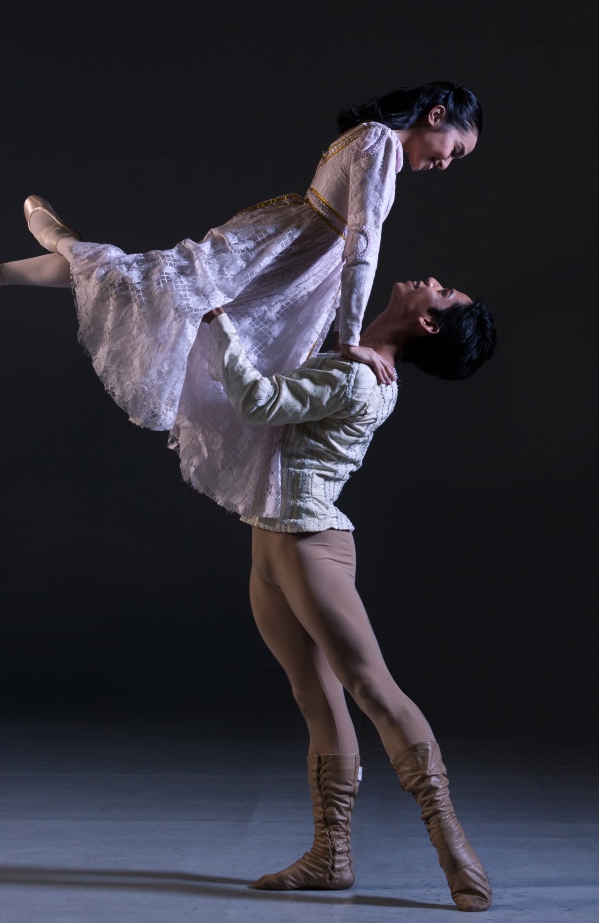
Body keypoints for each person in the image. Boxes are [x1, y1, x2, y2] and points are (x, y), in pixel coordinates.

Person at [0, 81, 481, 519]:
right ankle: (48, 249)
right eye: (454, 149)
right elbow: (363, 245)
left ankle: (16, 264)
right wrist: (350, 340)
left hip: (291, 266)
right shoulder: (379, 142)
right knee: (149, 289)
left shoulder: (368, 140)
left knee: (146, 288)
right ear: (436, 116)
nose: (445, 164)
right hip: (279, 256)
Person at [202, 276, 496, 911]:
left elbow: (256, 400)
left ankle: (455, 850)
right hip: (274, 545)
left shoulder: (360, 377)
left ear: (429, 324)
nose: (434, 282)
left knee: (371, 687)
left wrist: (217, 319)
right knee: (316, 697)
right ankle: (330, 856)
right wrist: (349, 344)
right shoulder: (359, 364)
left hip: (310, 545)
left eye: (445, 294)